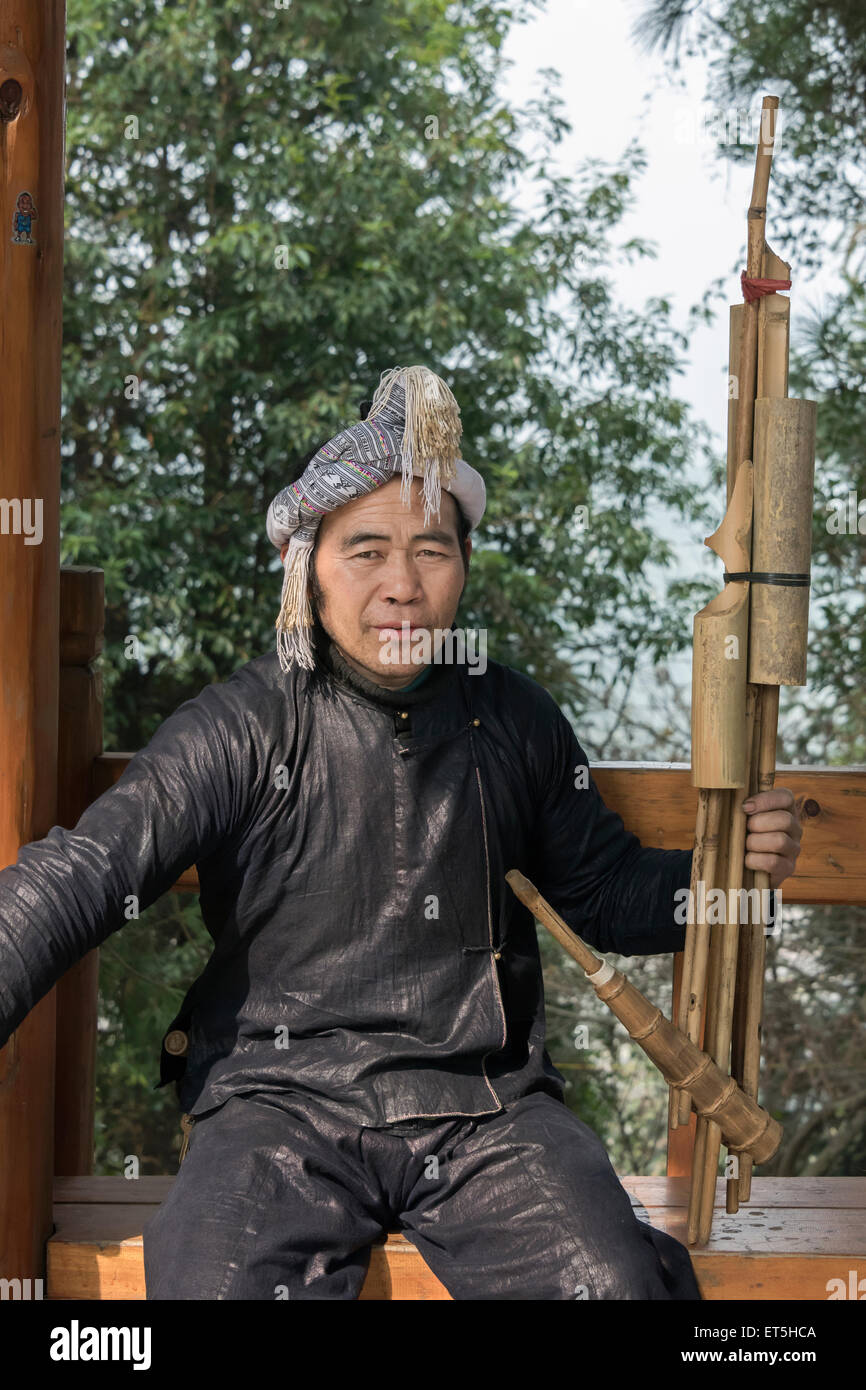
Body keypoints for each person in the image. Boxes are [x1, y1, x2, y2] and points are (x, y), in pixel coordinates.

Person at [0, 366, 802, 1300]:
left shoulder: (516, 719)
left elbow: (605, 893)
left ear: (464, 563)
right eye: (366, 551)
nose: (403, 586)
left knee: (613, 1288)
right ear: (310, 569)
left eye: (432, 550)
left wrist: (728, 874)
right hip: (275, 1103)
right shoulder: (242, 725)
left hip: (485, 1107)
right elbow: (89, 871)